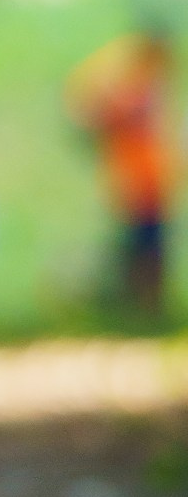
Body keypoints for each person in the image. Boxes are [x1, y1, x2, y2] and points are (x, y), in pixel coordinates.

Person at [65, 23, 175, 314]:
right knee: (142, 244)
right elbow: (93, 111)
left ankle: (146, 303)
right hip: (135, 182)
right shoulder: (130, 89)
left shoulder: (147, 85)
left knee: (150, 243)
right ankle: (139, 303)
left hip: (150, 181)